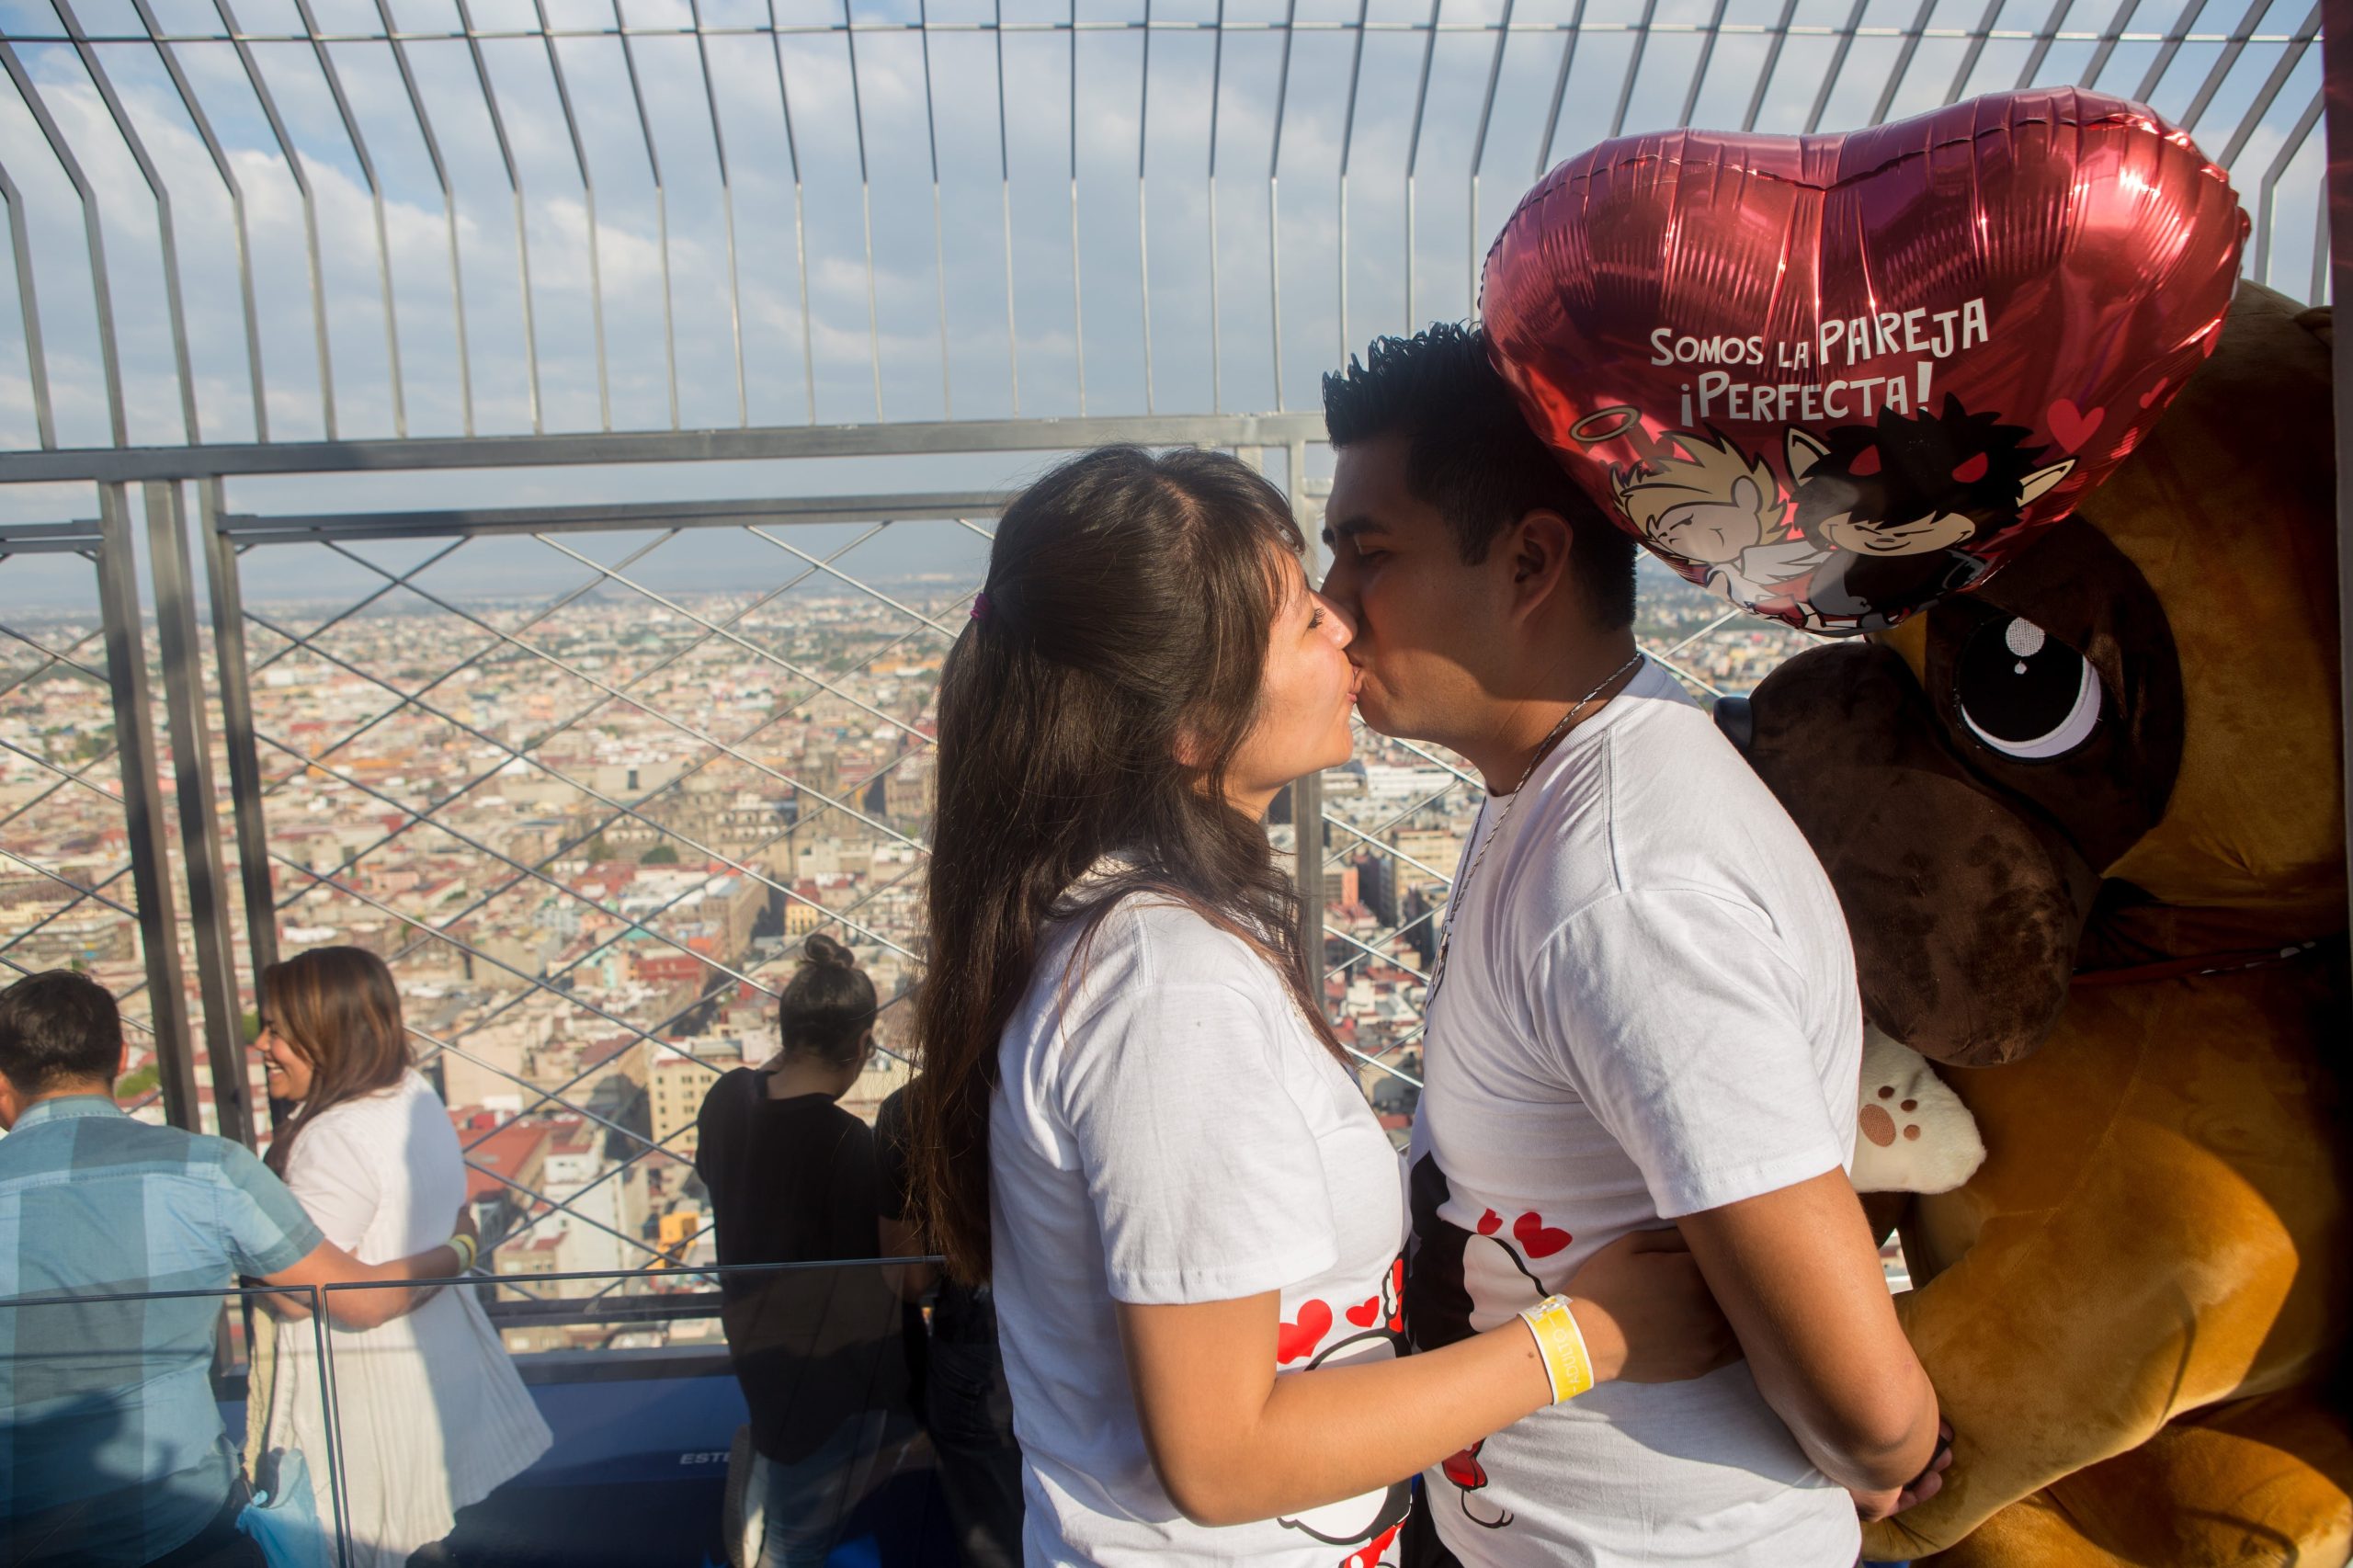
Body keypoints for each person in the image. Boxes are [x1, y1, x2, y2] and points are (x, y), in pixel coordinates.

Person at [907, 445, 1740, 1568]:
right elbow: (1223, 1456)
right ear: (1189, 725)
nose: (1345, 627)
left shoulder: (1121, 934)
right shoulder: (1165, 986)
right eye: (1302, 619)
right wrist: (1587, 1333)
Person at [1316, 324, 1949, 1568]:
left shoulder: (1627, 887)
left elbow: (1870, 1410)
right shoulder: (1560, 800)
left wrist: (1898, 1450)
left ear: (1531, 561)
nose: (1331, 610)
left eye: (1367, 554)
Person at [0, 970, 472, 1568]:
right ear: (122, 1057)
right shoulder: (207, 1170)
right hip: (183, 1517)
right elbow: (356, 1296)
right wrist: (462, 1247)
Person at [247, 946, 551, 1568]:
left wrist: (245, 1238)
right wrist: (460, 1248)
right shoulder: (412, 1094)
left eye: (277, 1029)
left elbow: (313, 1299)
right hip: (421, 1383)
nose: (260, 1043)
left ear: (324, 1036)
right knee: (417, 1541)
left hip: (356, 1409)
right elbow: (450, 1219)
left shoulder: (333, 1139)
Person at [695, 932, 907, 1568]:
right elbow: (895, 1274)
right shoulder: (850, 1145)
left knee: (792, 1484)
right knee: (799, 1542)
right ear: (863, 1048)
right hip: (833, 1376)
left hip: (757, 1347)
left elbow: (732, 1138)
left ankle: (761, 1484)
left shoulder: (728, 1100)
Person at [876, 1079, 1023, 1568]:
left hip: (977, 1345)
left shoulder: (912, 1109)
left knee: (995, 1536)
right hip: (1092, 1340)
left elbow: (907, 1279)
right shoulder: (1082, 1082)